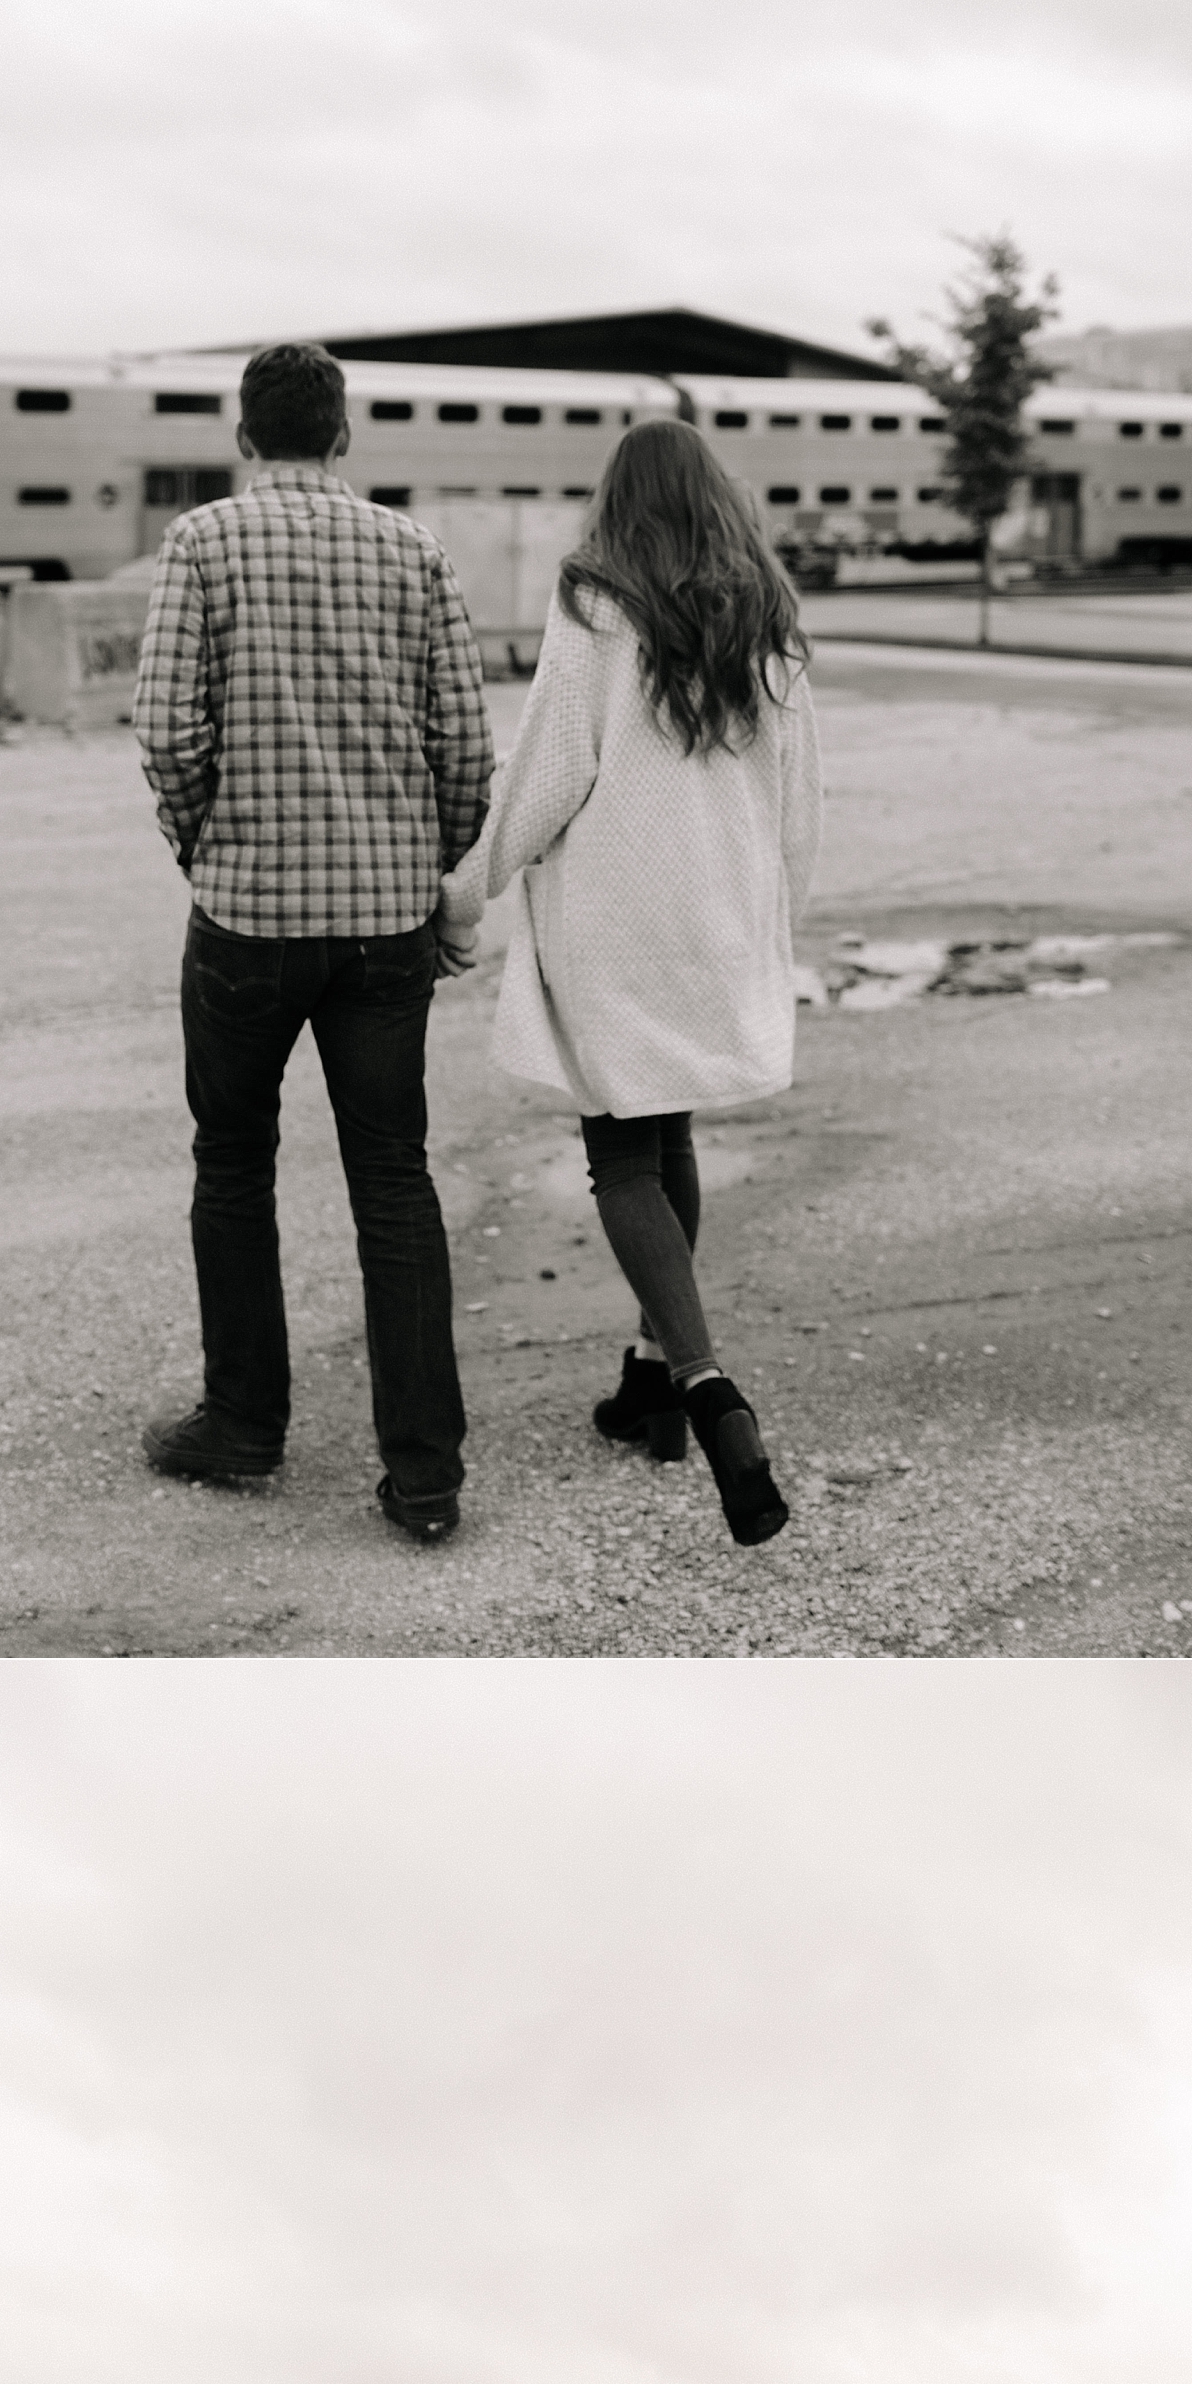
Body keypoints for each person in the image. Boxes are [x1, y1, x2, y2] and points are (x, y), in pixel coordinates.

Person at [133, 341, 495, 1545]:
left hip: (245, 918)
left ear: (244, 437)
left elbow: (166, 729)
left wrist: (206, 844)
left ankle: (242, 1425)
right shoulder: (411, 549)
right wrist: (432, 870)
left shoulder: (201, 543)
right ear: (344, 437)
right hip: (386, 923)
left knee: (233, 1165)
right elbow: (465, 745)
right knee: (393, 1180)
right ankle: (425, 1477)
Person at [439, 419, 821, 1547]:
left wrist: (467, 891)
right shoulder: (769, 616)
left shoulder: (597, 602)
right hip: (716, 916)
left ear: (621, 498)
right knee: (670, 1135)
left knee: (621, 1152)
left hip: (620, 912)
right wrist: (774, 918)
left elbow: (551, 768)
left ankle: (705, 1390)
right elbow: (800, 794)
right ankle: (649, 1385)